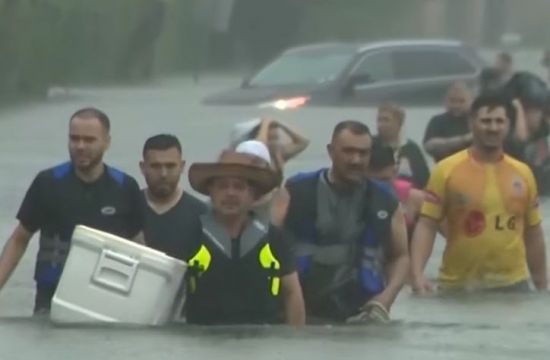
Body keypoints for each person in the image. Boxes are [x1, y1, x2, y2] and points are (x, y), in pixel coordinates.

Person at [0, 108, 144, 314]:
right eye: (74, 139)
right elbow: (18, 240)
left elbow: (140, 249)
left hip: (107, 303)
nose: (80, 146)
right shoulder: (47, 183)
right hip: (51, 302)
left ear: (107, 142)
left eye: (89, 140)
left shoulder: (125, 187)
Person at [411, 92, 548, 294]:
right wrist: (417, 274)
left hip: (514, 287)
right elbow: (427, 225)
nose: (493, 128)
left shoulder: (523, 173)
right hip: (457, 287)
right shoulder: (446, 170)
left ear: (508, 125)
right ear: (472, 123)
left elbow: (533, 232)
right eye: (486, 121)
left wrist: (542, 284)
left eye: (499, 121)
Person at [284, 120, 409, 324]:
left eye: (363, 153)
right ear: (331, 151)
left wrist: (386, 299)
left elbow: (400, 256)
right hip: (304, 308)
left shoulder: (385, 199)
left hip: (361, 312)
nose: (356, 159)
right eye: (348, 151)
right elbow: (268, 244)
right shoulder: (295, 190)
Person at [184, 150, 305, 325]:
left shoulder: (274, 237)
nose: (230, 193)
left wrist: (296, 340)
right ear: (210, 191)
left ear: (253, 194)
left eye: (239, 187)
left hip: (263, 341)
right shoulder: (191, 234)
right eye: (223, 186)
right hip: (204, 341)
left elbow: (292, 293)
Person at [140, 134, 207, 259]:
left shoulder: (202, 216)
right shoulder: (125, 209)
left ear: (182, 167)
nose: (163, 174)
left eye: (170, 166)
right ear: (143, 168)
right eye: (155, 166)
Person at [367, 141, 425, 238]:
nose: (379, 186)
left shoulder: (414, 199)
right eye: (373, 181)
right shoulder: (352, 199)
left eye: (384, 180)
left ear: (395, 172)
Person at [375, 102, 430, 188]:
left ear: (399, 123)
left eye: (386, 120)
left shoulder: (411, 149)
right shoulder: (370, 145)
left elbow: (423, 179)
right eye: (379, 120)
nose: (381, 124)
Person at [230, 118, 310, 177]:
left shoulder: (277, 154)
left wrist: (281, 125)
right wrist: (265, 123)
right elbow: (257, 147)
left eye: (276, 138)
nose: (276, 143)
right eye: (271, 139)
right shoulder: (248, 156)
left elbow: (303, 142)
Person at [423, 82, 473, 162]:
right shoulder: (437, 121)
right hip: (446, 170)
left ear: (471, 101)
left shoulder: (477, 121)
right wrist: (464, 140)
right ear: (445, 101)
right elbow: (430, 146)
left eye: (461, 101)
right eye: (452, 101)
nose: (456, 105)